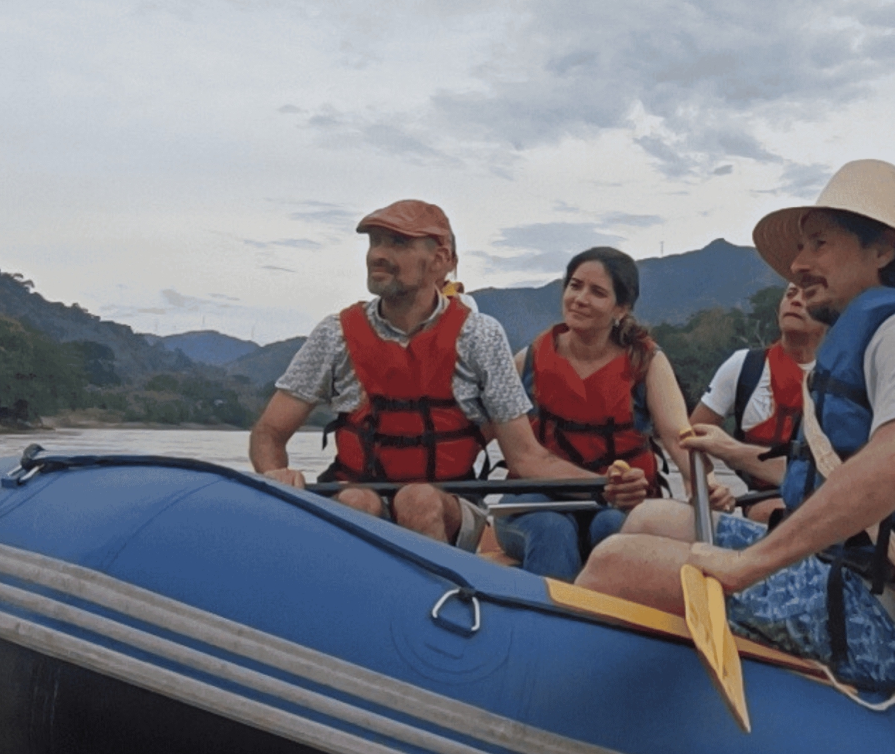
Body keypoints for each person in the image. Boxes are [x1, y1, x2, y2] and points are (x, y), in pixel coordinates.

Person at [577, 160, 895, 692]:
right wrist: (734, 456)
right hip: (855, 573)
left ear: (884, 249)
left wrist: (749, 564)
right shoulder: (877, 332)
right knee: (650, 518)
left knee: (618, 562)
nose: (798, 265)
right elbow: (834, 477)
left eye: (819, 244)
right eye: (801, 248)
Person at [249, 200, 645, 548]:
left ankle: (437, 612)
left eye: (398, 243)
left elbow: (526, 457)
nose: (377, 255)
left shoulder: (480, 335)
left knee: (417, 499)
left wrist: (602, 486)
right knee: (357, 500)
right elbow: (269, 432)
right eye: (375, 242)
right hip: (354, 492)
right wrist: (275, 474)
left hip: (450, 504)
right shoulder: (334, 334)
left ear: (440, 260)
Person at [499, 246, 729, 579]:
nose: (579, 298)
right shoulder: (529, 359)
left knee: (612, 526)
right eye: (574, 285)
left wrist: (707, 483)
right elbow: (486, 433)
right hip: (535, 501)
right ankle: (547, 624)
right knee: (551, 529)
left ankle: (610, 622)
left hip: (619, 503)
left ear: (620, 308)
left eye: (597, 292)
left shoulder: (646, 362)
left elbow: (680, 439)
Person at [687, 282, 826, 521]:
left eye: (808, 295)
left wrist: (730, 450)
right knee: (772, 513)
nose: (795, 300)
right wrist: (709, 484)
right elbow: (690, 436)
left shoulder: (843, 379)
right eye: (790, 294)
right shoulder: (742, 366)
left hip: (825, 503)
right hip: (763, 502)